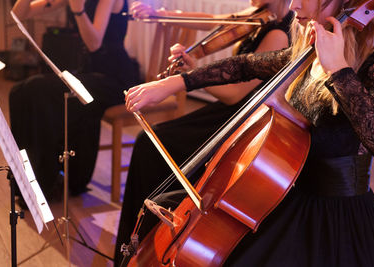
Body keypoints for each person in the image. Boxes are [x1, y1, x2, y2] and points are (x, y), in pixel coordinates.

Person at [125, 0, 374, 265]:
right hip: (281, 193)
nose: (294, 5)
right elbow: (245, 66)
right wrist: (175, 83)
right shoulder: (307, 56)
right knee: (163, 205)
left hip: (334, 220)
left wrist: (339, 71)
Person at [114, 0, 293, 265]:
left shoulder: (278, 34)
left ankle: (142, 242)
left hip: (238, 120)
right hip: (226, 112)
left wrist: (192, 73)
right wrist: (160, 14)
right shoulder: (260, 16)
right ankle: (136, 242)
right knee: (147, 142)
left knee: (149, 144)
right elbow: (209, 19)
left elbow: (234, 95)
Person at [9, 0, 140, 202]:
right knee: (20, 92)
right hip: (89, 73)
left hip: (114, 78)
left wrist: (78, 10)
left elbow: (94, 43)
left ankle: (44, 178)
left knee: (39, 89)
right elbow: (18, 15)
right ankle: (29, 178)